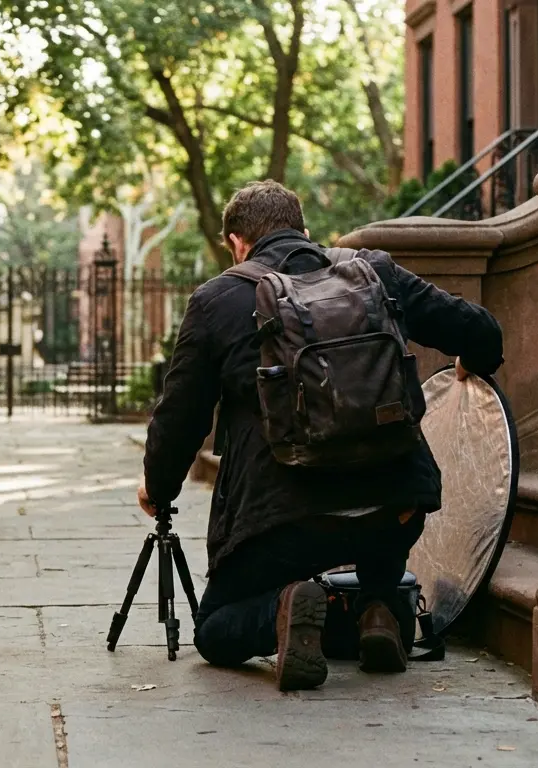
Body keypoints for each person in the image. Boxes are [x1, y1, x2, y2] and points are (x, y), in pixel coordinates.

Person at [139, 180, 503, 692]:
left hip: (284, 523)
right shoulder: (373, 272)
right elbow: (482, 331)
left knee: (215, 629)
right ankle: (378, 607)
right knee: (382, 515)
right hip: (393, 507)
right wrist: (472, 359)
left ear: (236, 243)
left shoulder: (216, 300)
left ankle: (283, 609)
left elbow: (181, 418)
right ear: (306, 231)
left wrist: (157, 489)